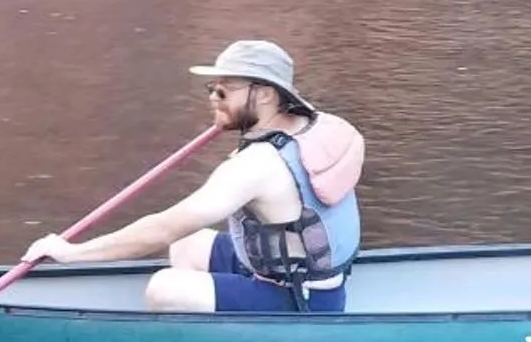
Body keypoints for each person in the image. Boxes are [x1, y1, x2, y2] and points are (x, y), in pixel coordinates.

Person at [24, 41, 363, 313]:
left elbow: (163, 227)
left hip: (303, 302)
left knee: (164, 288)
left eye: (224, 92)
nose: (213, 100)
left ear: (264, 94)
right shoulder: (310, 124)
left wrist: (72, 253)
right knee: (186, 245)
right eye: (211, 90)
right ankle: (214, 327)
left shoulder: (258, 165)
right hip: (303, 276)